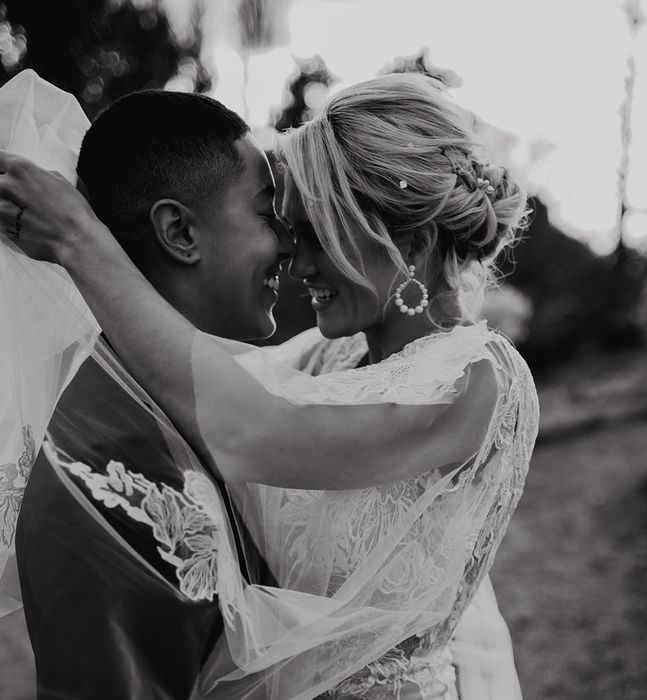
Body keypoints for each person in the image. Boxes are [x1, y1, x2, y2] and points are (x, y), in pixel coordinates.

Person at [0, 72, 539, 699]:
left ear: (411, 245)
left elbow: (247, 427)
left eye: (316, 235)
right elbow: (190, 371)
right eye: (287, 226)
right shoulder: (327, 356)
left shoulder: (478, 379)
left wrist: (81, 243)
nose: (295, 259)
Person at [1, 71, 290, 700]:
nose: (289, 243)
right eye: (268, 214)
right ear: (180, 233)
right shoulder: (99, 472)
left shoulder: (203, 411)